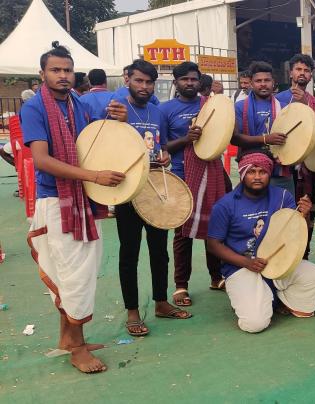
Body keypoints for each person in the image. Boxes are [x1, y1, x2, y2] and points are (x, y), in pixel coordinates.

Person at [22, 44, 128, 373]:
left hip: (79, 197)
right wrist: (94, 176)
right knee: (74, 274)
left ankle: (67, 338)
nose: (63, 76)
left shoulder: (76, 103)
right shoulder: (35, 107)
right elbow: (41, 160)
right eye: (56, 70)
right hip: (56, 199)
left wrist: (115, 117)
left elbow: (95, 137)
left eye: (67, 70)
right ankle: (78, 349)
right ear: (43, 74)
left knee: (78, 268)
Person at [112, 59, 191, 337]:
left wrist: (165, 154)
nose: (144, 87)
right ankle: (132, 310)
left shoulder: (157, 113)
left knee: (159, 251)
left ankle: (160, 302)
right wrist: (117, 123)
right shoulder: (118, 109)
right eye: (138, 81)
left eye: (149, 82)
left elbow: (160, 145)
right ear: (127, 80)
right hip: (128, 193)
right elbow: (107, 148)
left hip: (156, 189)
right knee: (129, 253)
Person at [207, 152, 315, 333]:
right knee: (255, 324)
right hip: (242, 268)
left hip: (278, 264)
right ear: (242, 173)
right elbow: (213, 244)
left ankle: (272, 298)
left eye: (262, 171)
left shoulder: (282, 197)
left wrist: (304, 215)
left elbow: (291, 232)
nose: (257, 176)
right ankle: (255, 299)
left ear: (269, 174)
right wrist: (246, 262)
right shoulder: (225, 205)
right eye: (251, 171)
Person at [160, 61, 229, 304]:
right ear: (175, 82)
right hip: (182, 176)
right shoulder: (165, 110)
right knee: (183, 233)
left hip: (213, 173)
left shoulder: (210, 105)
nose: (189, 83)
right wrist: (186, 139)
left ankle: (216, 275)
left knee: (216, 228)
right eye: (184, 79)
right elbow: (162, 146)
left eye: (193, 79)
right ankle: (181, 285)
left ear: (200, 81)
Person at [280, 54, 315, 265]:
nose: (302, 73)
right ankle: (284, 255)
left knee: (307, 211)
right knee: (284, 212)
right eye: (298, 69)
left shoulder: (314, 100)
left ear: (311, 75)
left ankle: (303, 256)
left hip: (308, 169)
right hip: (284, 169)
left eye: (306, 70)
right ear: (290, 72)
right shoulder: (279, 99)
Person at [233, 62, 294, 193]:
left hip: (280, 172)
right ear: (251, 83)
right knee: (255, 212)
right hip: (252, 172)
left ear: (273, 82)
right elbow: (235, 139)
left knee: (284, 211)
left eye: (267, 80)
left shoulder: (285, 108)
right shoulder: (239, 107)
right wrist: (266, 139)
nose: (263, 84)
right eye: (258, 81)